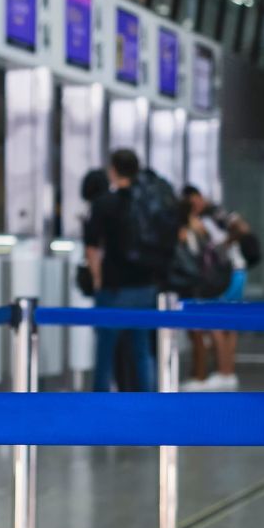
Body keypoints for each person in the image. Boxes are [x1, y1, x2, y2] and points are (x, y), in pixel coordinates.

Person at [83, 149, 177, 392]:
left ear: (113, 170)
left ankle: (100, 401)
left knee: (105, 351)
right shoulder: (148, 202)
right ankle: (148, 400)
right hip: (145, 284)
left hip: (114, 286)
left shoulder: (104, 203)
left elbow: (92, 247)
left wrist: (97, 280)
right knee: (142, 350)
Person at [181, 185, 247, 390]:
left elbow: (205, 242)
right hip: (237, 270)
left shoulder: (208, 218)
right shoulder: (220, 214)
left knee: (217, 322)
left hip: (223, 275)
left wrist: (222, 245)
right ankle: (228, 372)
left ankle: (223, 371)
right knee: (230, 324)